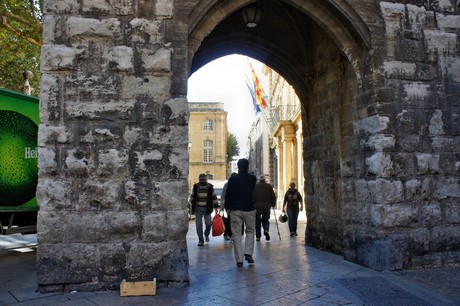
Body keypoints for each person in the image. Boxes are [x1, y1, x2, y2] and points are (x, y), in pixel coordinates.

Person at [224, 158, 257, 267]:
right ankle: (248, 253)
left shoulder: (232, 179)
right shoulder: (252, 179)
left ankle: (239, 259)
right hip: (249, 209)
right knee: (250, 231)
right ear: (248, 167)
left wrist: (228, 209)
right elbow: (254, 194)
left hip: (236, 209)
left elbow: (228, 195)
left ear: (238, 167)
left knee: (236, 234)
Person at [191, 173, 218, 246]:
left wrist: (216, 207)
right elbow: (192, 197)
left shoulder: (210, 187)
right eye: (200, 179)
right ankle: (201, 240)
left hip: (207, 208)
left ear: (206, 179)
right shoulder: (196, 187)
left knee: (209, 223)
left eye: (203, 179)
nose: (202, 181)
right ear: (199, 179)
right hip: (198, 208)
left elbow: (214, 197)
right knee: (198, 225)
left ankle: (206, 234)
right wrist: (192, 208)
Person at [253, 174, 276, 242]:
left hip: (257, 206)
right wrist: (273, 204)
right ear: (265, 179)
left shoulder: (255, 186)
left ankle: (258, 236)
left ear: (259, 179)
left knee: (257, 222)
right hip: (266, 206)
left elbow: (252, 196)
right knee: (266, 219)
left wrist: (253, 204)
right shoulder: (269, 186)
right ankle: (266, 229)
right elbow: (273, 196)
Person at [220, 172, 237, 240]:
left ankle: (230, 234)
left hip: (233, 205)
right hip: (229, 206)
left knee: (232, 220)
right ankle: (229, 234)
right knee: (230, 220)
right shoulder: (227, 185)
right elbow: (223, 195)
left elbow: (222, 196)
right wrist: (222, 205)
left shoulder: (234, 184)